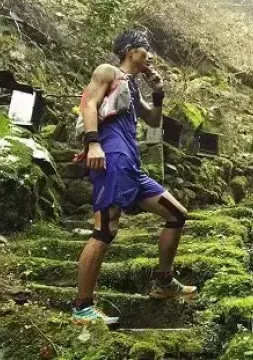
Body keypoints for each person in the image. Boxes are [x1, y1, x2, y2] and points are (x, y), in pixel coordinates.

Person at [72, 29, 197, 325]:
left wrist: (159, 91)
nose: (150, 56)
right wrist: (93, 142)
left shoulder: (132, 87)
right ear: (131, 51)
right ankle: (82, 308)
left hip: (131, 164)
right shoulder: (108, 72)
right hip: (111, 157)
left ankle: (163, 284)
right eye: (146, 50)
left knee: (176, 214)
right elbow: (89, 103)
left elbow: (153, 120)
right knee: (105, 229)